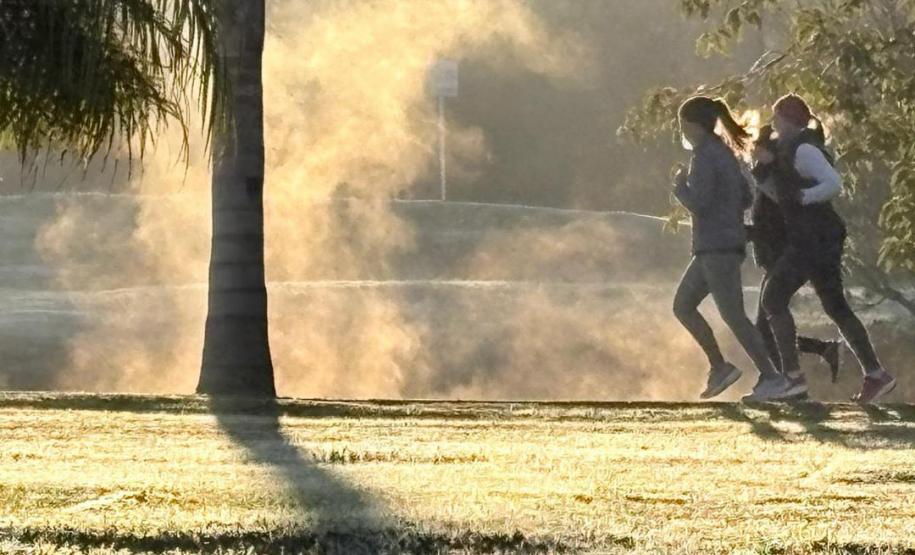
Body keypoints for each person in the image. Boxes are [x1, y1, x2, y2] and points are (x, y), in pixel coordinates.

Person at [759, 94, 896, 403]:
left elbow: (833, 183)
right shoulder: (786, 151)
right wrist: (762, 169)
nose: (773, 124)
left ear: (788, 120)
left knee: (773, 298)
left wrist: (802, 198)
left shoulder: (804, 149)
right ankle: (876, 374)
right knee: (835, 306)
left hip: (814, 239)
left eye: (776, 118)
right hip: (817, 238)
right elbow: (780, 194)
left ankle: (792, 378)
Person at [671, 96, 799, 400]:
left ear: (693, 125)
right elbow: (745, 196)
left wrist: (679, 189)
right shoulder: (725, 153)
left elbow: (699, 204)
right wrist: (728, 214)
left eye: (682, 124)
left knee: (733, 316)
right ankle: (720, 367)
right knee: (683, 306)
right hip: (719, 245)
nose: (682, 131)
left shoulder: (703, 157)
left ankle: (772, 377)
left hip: (717, 248)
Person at [747, 125, 841, 386]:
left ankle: (787, 381)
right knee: (764, 327)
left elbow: (777, 218)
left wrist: (750, 232)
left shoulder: (776, 179)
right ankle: (817, 352)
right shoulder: (769, 177)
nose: (754, 153)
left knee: (764, 324)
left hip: (781, 253)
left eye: (759, 149)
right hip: (775, 253)